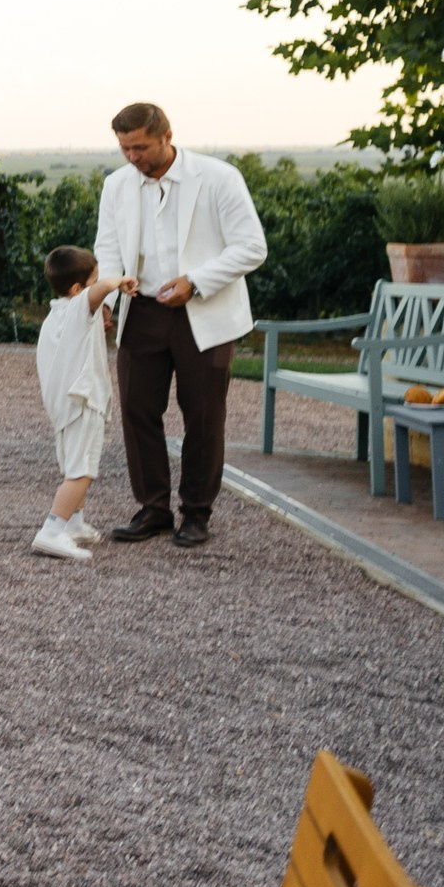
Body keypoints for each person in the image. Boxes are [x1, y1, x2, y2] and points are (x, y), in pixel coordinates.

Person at [92, 102, 268, 548]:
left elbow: (252, 247)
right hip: (142, 309)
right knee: (136, 412)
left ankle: (195, 514)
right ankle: (153, 509)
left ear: (167, 136)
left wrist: (196, 281)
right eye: (124, 148)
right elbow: (107, 247)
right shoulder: (116, 185)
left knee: (204, 417)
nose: (132, 157)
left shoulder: (219, 177)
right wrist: (110, 297)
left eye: (141, 147)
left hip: (204, 313)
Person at [31, 245, 132, 561]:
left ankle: (74, 523)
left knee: (74, 465)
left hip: (65, 406)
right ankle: (52, 530)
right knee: (81, 472)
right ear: (77, 289)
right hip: (82, 403)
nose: (99, 285)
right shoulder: (78, 308)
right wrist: (120, 281)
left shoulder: (56, 315)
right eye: (94, 280)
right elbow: (98, 292)